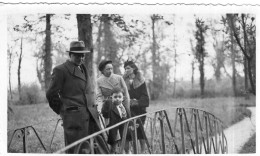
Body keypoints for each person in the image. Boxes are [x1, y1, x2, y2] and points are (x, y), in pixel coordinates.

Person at [46, 41, 102, 154]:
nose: (81, 58)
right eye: (77, 55)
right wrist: (64, 111)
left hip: (91, 117)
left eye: (82, 56)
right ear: (70, 55)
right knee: (78, 150)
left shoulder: (83, 68)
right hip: (75, 120)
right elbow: (51, 94)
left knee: (97, 148)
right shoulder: (61, 70)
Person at [123, 60, 150, 153]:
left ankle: (142, 151)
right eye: (125, 68)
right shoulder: (123, 81)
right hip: (128, 110)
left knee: (139, 130)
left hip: (140, 110)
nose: (126, 70)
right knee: (127, 131)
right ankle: (128, 151)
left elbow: (145, 97)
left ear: (133, 68)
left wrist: (137, 102)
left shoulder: (141, 80)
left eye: (128, 68)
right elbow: (121, 94)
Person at [101, 87, 128, 153]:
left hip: (122, 129)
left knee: (124, 145)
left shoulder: (123, 106)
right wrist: (108, 103)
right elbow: (105, 113)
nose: (117, 99)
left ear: (123, 98)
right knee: (113, 147)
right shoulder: (110, 106)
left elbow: (126, 116)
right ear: (111, 98)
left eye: (119, 97)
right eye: (115, 97)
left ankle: (124, 152)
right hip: (113, 130)